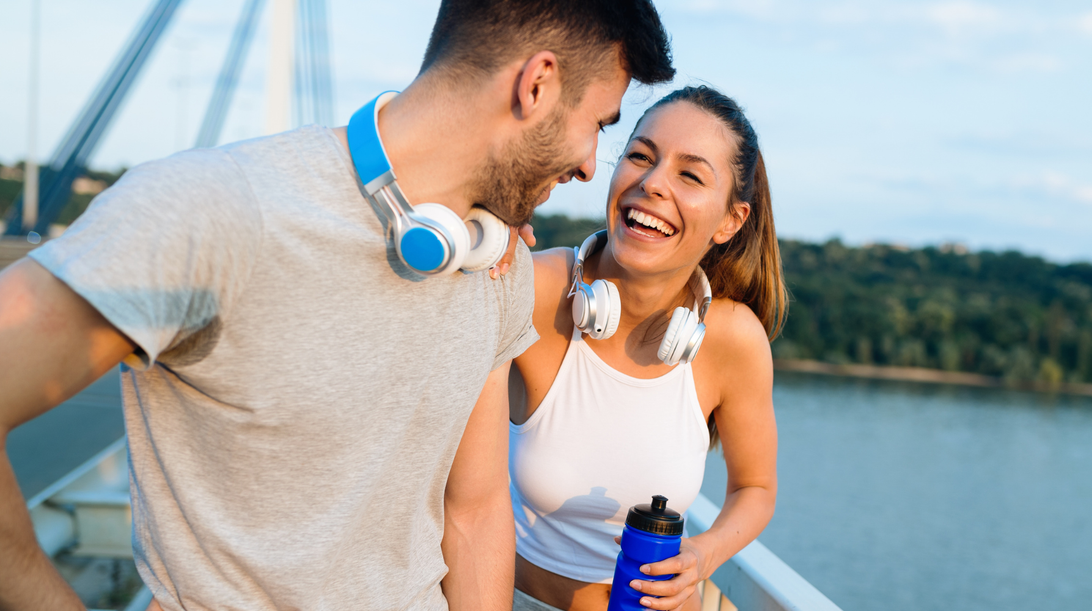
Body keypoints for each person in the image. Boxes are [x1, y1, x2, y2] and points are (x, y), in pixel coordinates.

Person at [0, 2, 675, 610]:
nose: (590, 165)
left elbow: (473, 510)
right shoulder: (213, 211)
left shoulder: (497, 261)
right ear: (538, 85)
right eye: (597, 124)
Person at [508, 86, 785, 611]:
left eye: (690, 174)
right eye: (640, 155)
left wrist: (702, 556)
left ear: (731, 220)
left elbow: (756, 489)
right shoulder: (533, 288)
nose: (652, 183)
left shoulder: (733, 339)